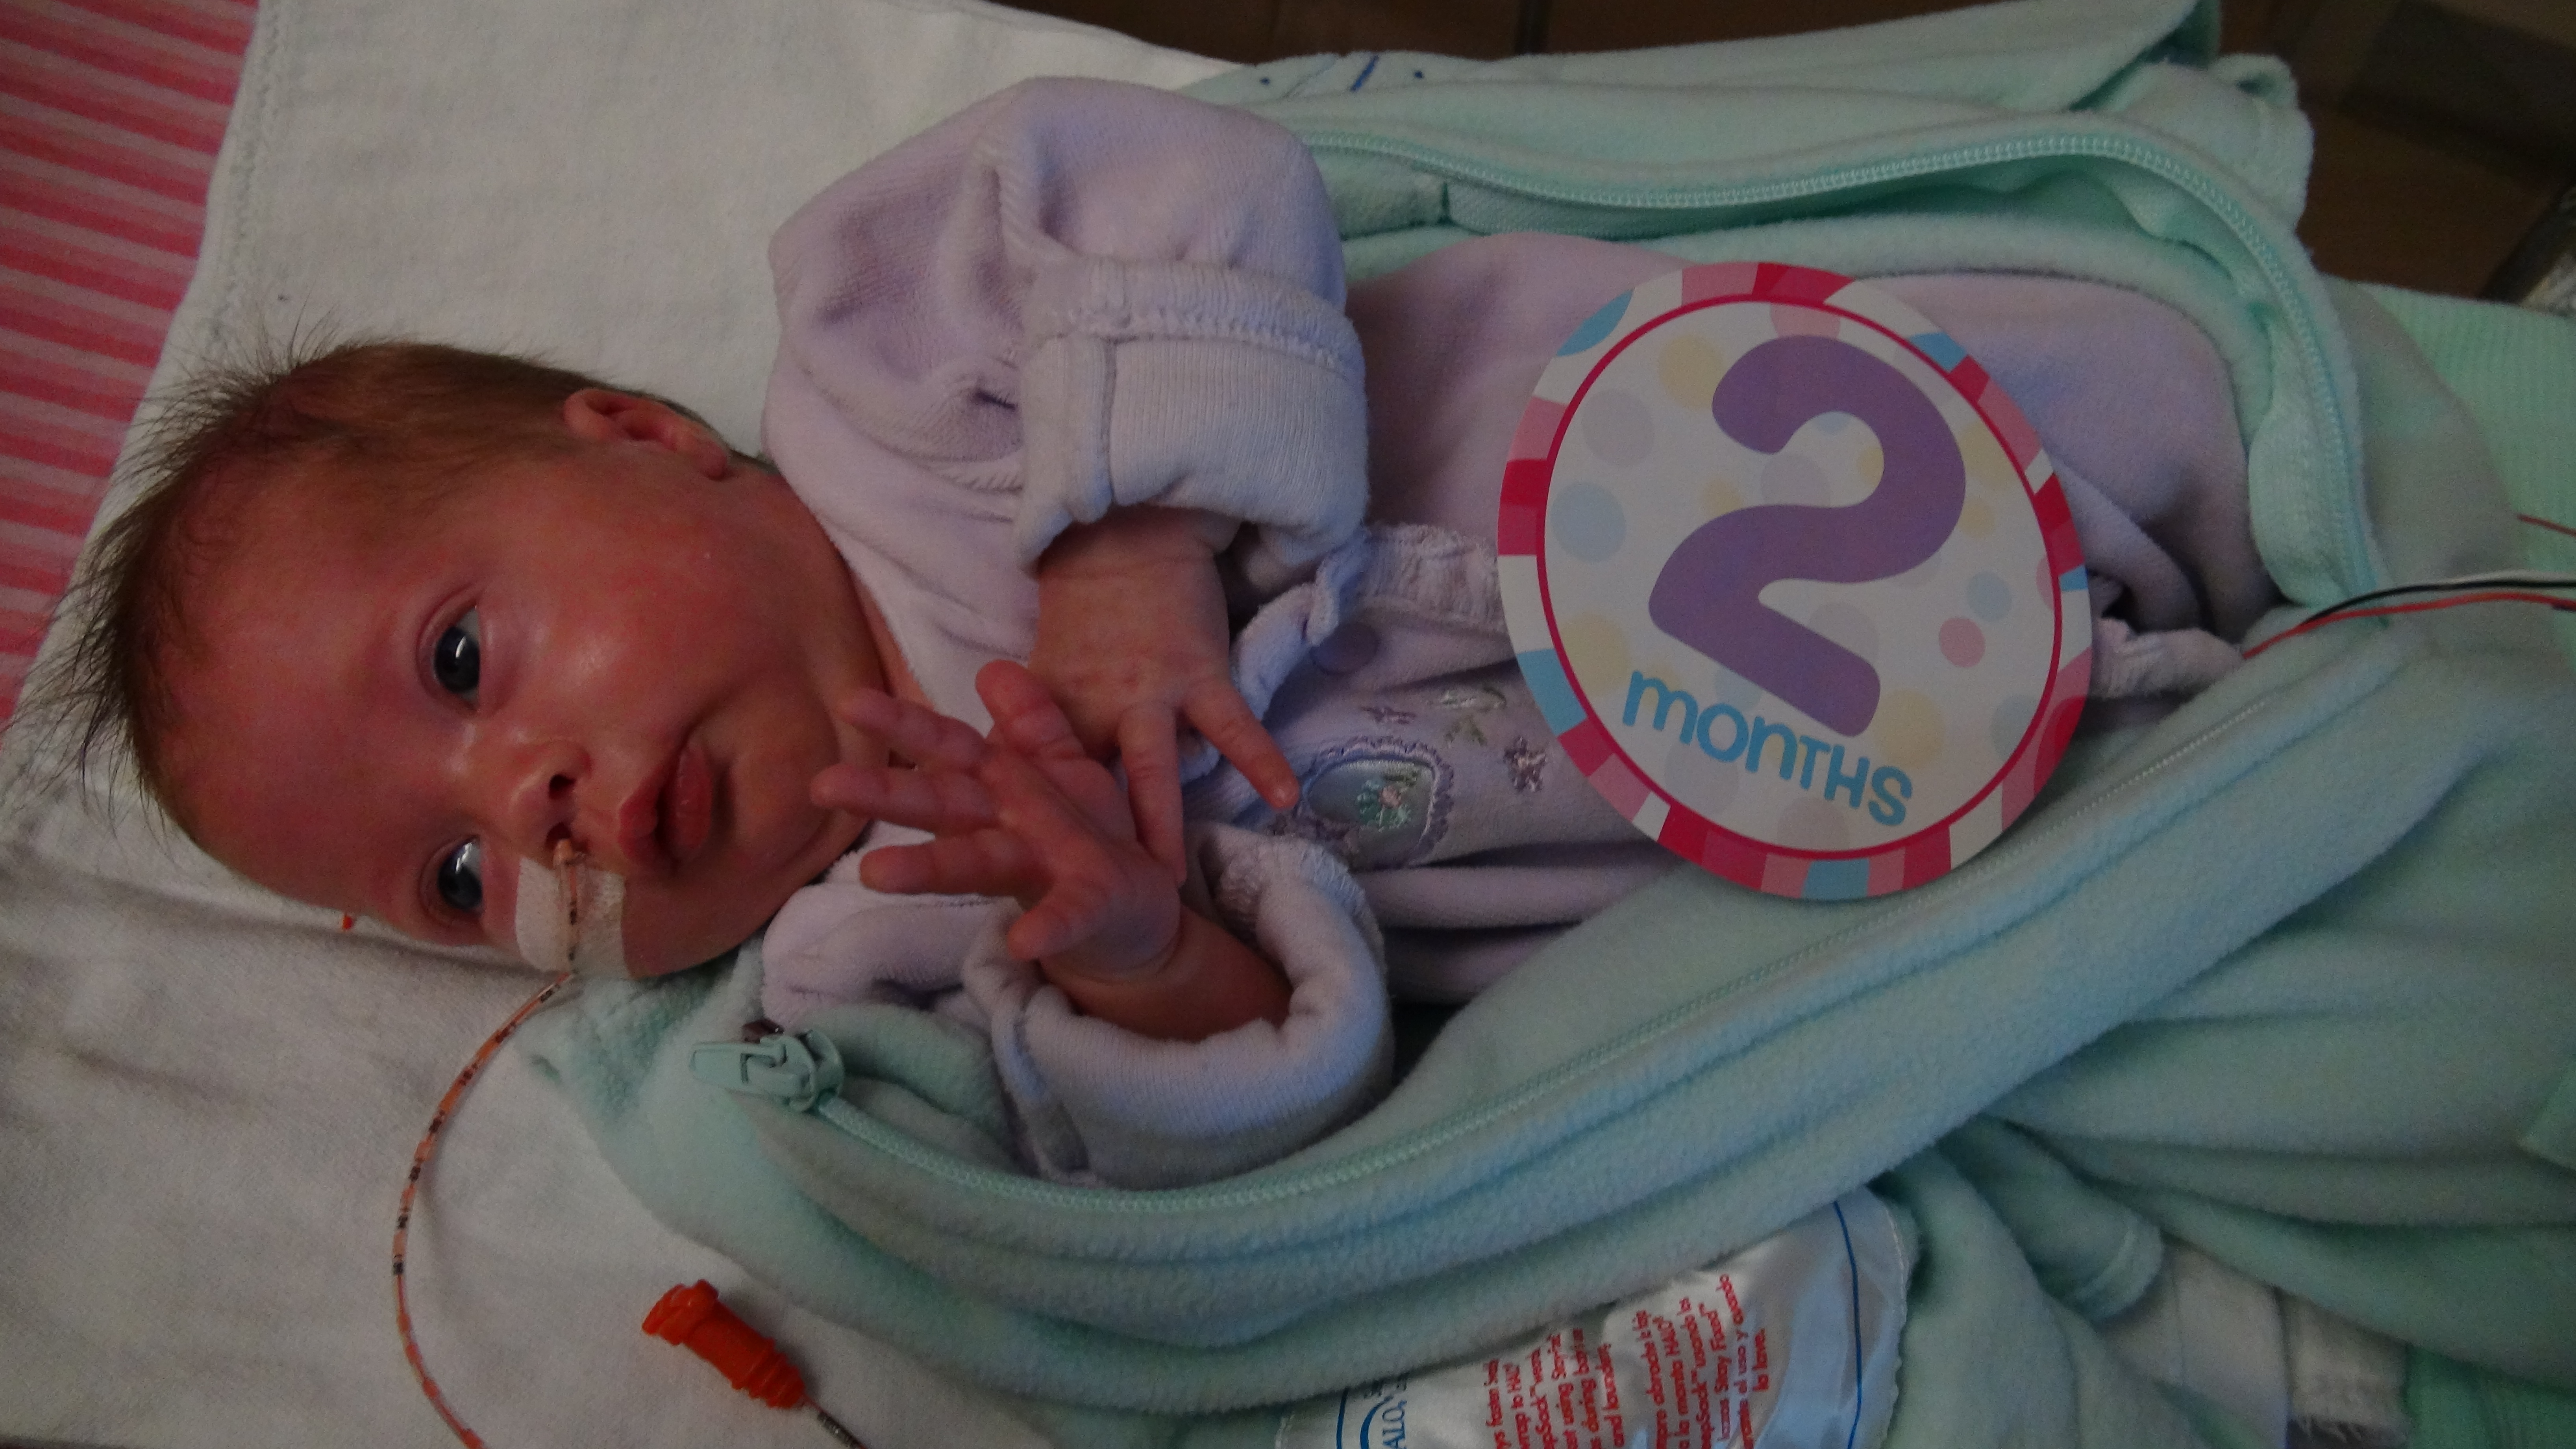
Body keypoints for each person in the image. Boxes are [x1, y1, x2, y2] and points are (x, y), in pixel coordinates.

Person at [35, 77, 2267, 1187]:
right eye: (451, 879)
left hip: (1740, 468)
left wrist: (1128, 541)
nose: (523, 811)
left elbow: (1179, 177)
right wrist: (1135, 955)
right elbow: (1269, 1127)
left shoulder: (902, 370)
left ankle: (2277, 493)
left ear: (640, 439)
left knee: (2183, 446)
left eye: (461, 666)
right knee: (2205, 929)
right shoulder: (867, 968)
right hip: (1772, 845)